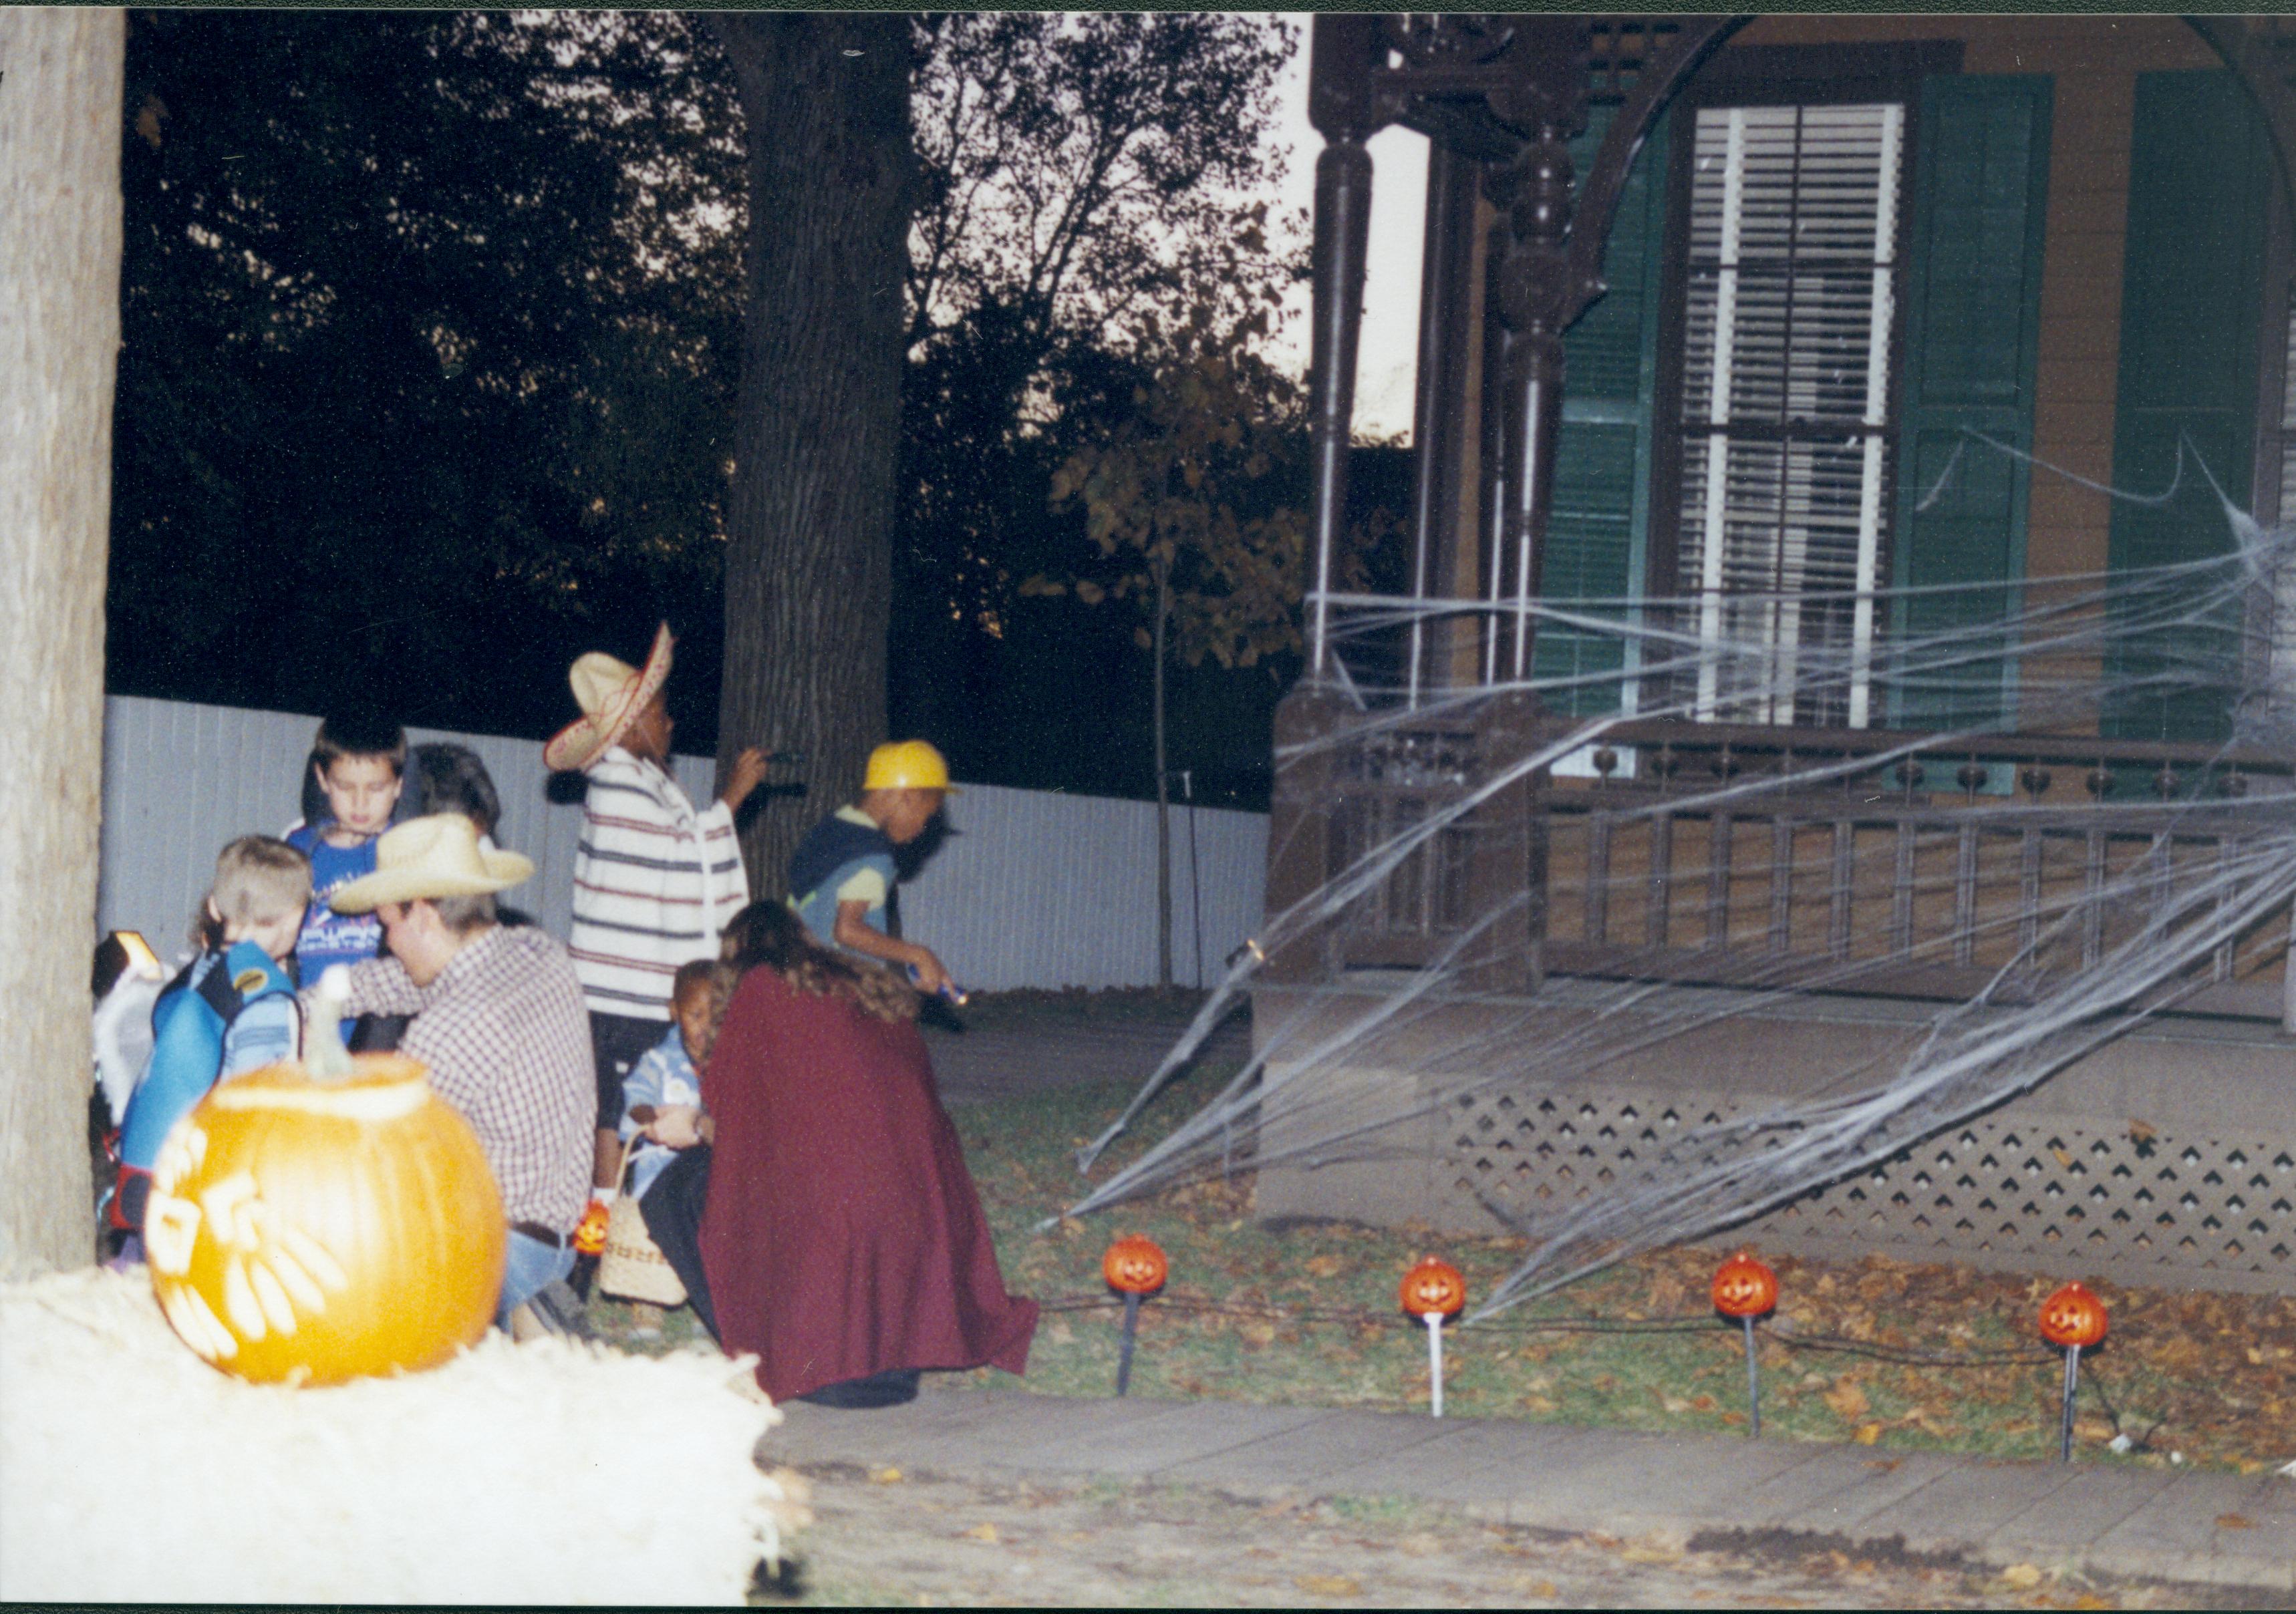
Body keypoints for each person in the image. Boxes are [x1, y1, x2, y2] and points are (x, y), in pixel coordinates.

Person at [695, 901, 1036, 1406]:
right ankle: (871, 1355)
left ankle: (777, 1353)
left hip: (840, 1214)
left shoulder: (759, 990)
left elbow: (725, 1113)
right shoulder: (865, 985)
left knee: (687, 1189)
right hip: (922, 1202)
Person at [318, 814, 595, 1334]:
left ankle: (490, 1326)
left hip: (493, 1253)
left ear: (422, 914)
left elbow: (378, 1163)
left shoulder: (449, 1030)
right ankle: (530, 1321)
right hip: (557, 1244)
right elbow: (397, 981)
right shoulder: (537, 953)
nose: (388, 939)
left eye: (387, 924)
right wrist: (308, 1000)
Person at [544, 624, 768, 1248]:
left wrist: (717, 812)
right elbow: (681, 857)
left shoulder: (645, 782)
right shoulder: (617, 783)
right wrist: (730, 801)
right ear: (636, 721)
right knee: (617, 1115)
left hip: (639, 990)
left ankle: (628, 1230)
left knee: (627, 1109)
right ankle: (606, 1235)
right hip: (622, 995)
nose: (671, 726)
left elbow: (681, 851)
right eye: (663, 714)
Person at [108, 836, 311, 1258]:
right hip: (209, 1196)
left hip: (148, 1179)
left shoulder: (196, 973)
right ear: (295, 919)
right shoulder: (266, 998)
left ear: (215, 909)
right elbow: (261, 1105)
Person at [786, 740, 957, 998]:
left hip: (799, 974)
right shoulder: (874, 858)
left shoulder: (832, 830)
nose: (923, 827)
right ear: (907, 796)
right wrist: (919, 955)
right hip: (838, 988)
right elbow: (847, 931)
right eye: (927, 815)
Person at [285, 712, 407, 981]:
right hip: (309, 1013)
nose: (360, 803)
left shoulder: (407, 853)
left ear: (398, 785)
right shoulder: (298, 849)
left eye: (376, 788)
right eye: (344, 786)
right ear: (322, 778)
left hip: (379, 1018)